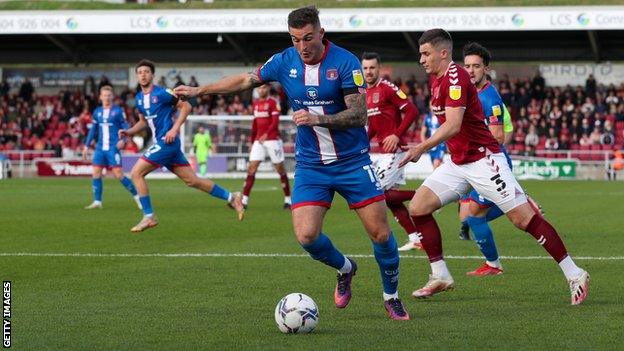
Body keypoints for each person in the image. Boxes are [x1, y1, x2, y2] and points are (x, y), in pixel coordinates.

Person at [175, 6, 409, 320]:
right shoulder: (284, 61)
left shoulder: (345, 62)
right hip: (312, 165)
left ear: (321, 33)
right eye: (296, 39)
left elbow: (359, 115)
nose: (303, 46)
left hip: (352, 162)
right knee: (306, 236)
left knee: (380, 233)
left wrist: (317, 118)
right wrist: (199, 91)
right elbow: (246, 79)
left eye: (308, 38)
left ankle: (391, 296)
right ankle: (345, 268)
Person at [399, 29, 589, 305]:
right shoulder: (436, 80)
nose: (421, 59)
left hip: (483, 160)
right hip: (459, 161)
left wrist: (420, 148)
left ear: (443, 53)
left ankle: (575, 273)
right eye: (420, 54)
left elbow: (452, 125)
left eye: (426, 53)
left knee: (524, 220)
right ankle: (440, 275)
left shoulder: (455, 77)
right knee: (418, 207)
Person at [120, 59, 244, 232]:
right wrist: (129, 132)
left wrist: (175, 129)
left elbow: (185, 106)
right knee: (193, 181)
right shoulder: (139, 98)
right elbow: (143, 122)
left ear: (153, 75)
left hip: (167, 142)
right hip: (165, 144)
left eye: (146, 72)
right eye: (140, 72)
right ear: (137, 76)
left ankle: (149, 216)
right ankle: (233, 197)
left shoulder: (162, 93)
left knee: (136, 173)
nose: (143, 75)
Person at [361, 52, 422, 252]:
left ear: (379, 69)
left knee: (380, 193)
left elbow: (412, 110)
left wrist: (396, 134)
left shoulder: (387, 88)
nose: (369, 71)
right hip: (384, 153)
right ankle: (416, 239)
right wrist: (363, 142)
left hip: (395, 151)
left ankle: (422, 195)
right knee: (391, 200)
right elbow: (376, 125)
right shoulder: (366, 93)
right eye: (366, 68)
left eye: (372, 67)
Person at [83, 86, 141, 210]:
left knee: (118, 174)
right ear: (100, 97)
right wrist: (86, 146)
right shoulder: (97, 111)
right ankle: (97, 201)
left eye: (109, 95)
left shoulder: (118, 111)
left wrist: (124, 140)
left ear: (112, 96)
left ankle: (137, 197)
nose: (107, 97)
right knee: (96, 173)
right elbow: (93, 130)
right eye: (104, 95)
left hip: (113, 148)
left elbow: (125, 125)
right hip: (100, 148)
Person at [242, 83, 291, 209]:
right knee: (251, 169)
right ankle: (244, 201)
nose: (260, 90)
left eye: (263, 87)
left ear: (268, 88)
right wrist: (252, 140)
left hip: (272, 140)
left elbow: (275, 122)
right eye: (259, 88)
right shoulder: (256, 104)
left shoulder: (273, 103)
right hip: (259, 140)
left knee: (280, 169)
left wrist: (266, 135)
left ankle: (288, 200)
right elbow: (255, 124)